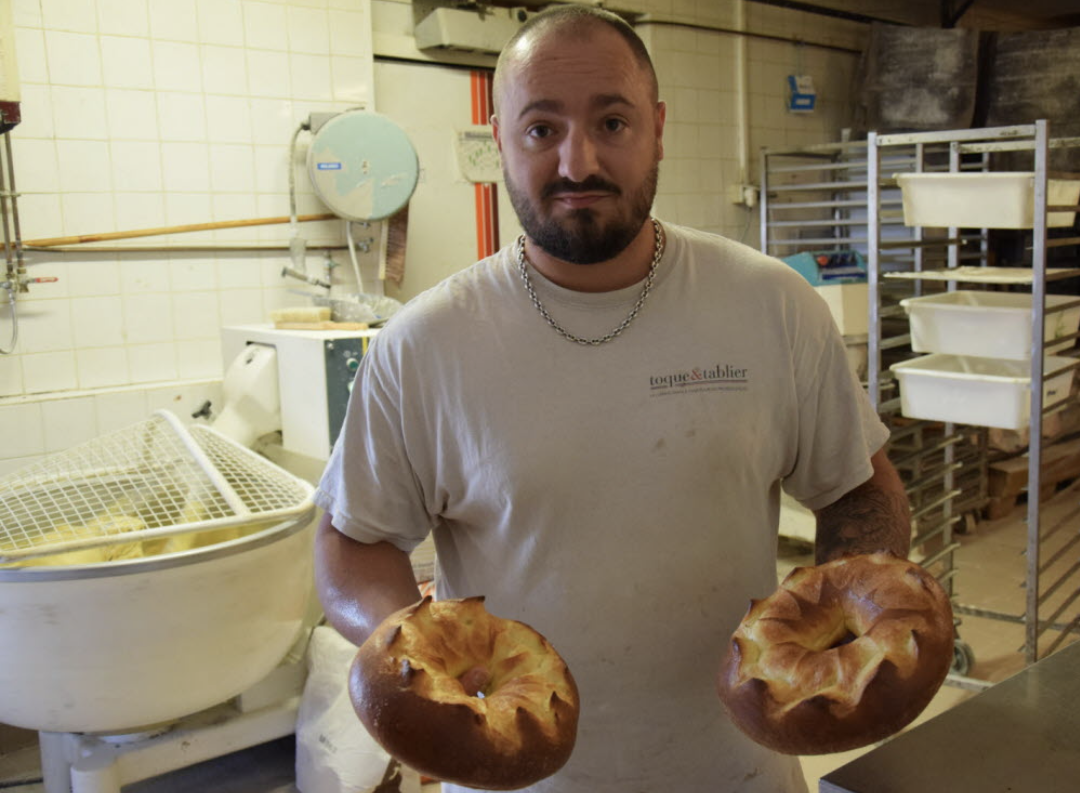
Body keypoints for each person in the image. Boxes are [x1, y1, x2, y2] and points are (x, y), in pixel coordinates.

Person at [314, 6, 912, 792]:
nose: (577, 161)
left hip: (737, 770)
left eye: (613, 121)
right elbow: (351, 540)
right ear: (500, 140)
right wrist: (411, 650)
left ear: (658, 129)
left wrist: (841, 620)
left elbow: (860, 487)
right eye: (541, 130)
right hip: (512, 773)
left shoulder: (771, 304)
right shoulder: (423, 346)